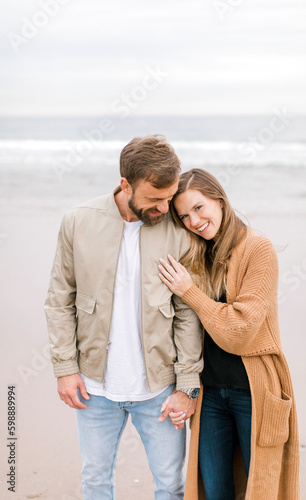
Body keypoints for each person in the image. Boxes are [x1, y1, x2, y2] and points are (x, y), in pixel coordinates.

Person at [44, 136, 203, 500]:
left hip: (160, 388)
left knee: (171, 484)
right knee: (96, 480)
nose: (165, 208)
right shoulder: (77, 222)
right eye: (154, 199)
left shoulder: (178, 230)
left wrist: (186, 386)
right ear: (125, 184)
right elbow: (58, 300)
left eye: (169, 197)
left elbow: (187, 314)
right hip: (94, 387)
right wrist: (65, 369)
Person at [158, 168, 300, 500]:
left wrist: (190, 291)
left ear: (219, 200)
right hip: (210, 394)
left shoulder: (258, 249)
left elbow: (239, 332)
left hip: (255, 391)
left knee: (261, 489)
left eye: (199, 207)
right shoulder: (196, 252)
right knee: (214, 490)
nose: (193, 221)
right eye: (184, 216)